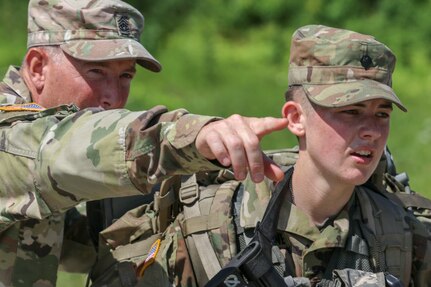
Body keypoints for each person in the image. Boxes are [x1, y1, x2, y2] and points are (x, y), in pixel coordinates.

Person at [0, 0, 289, 286]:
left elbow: (76, 247)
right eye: (96, 72)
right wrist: (193, 136)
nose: (112, 97)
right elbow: (74, 145)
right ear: (38, 68)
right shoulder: (13, 142)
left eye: (125, 75)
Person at [120, 25, 430, 286]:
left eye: (382, 114)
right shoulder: (211, 222)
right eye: (350, 111)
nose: (372, 131)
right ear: (296, 118)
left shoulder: (403, 234)